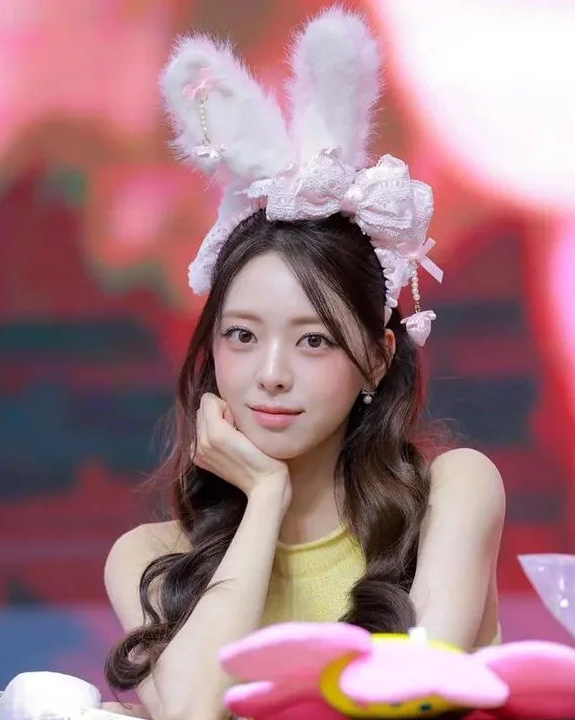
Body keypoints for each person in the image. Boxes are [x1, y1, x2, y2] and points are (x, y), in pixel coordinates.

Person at [101, 8, 506, 720]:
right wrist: (264, 499)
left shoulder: (453, 492)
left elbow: (417, 697)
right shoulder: (150, 556)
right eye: (242, 336)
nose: (271, 373)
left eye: (313, 341)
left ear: (377, 359)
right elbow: (193, 714)